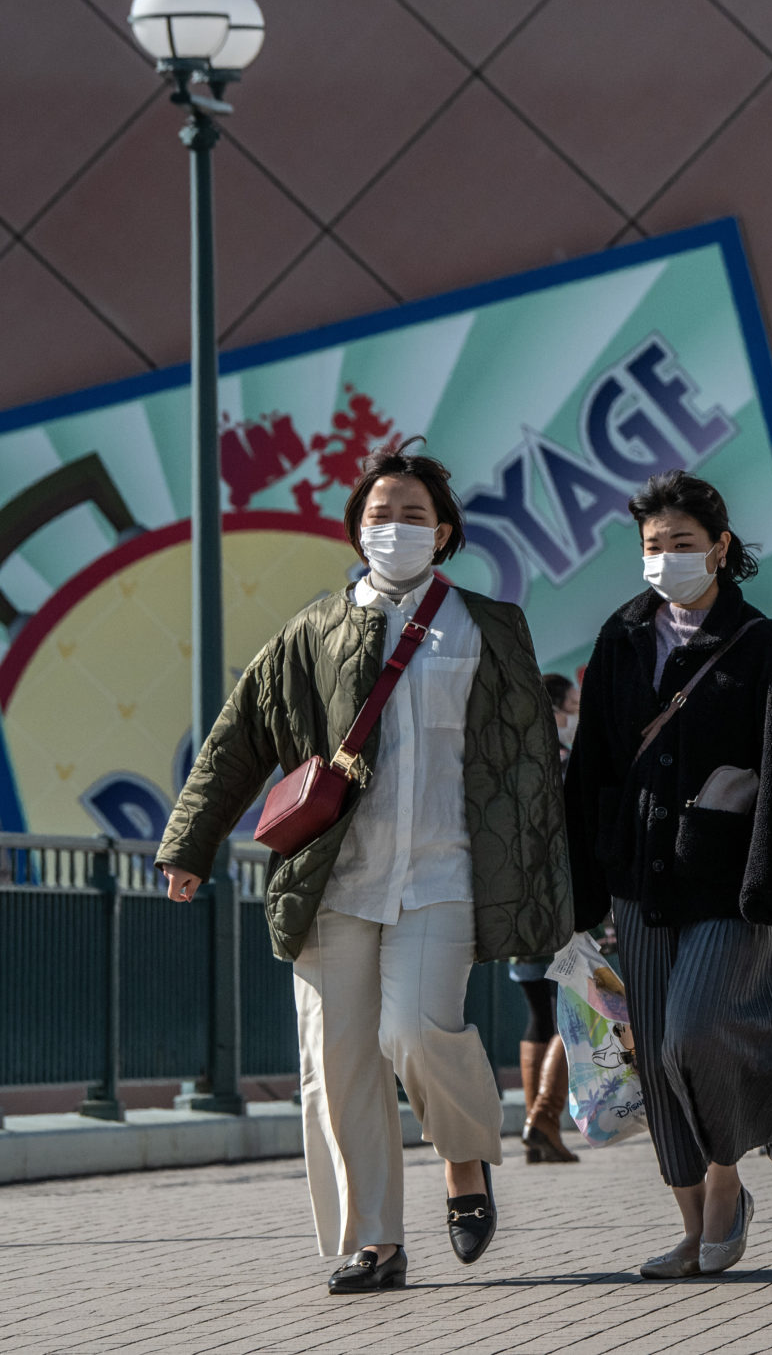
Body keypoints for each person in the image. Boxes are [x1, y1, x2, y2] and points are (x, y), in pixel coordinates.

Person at [155, 447, 570, 1294]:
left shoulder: (490, 626)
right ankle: (374, 1241)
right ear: (356, 530)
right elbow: (240, 738)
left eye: (413, 515)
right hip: (335, 879)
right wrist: (189, 844)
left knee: (417, 1032)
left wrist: (554, 870)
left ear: (444, 532)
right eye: (379, 515)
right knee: (336, 1063)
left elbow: (531, 760)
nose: (393, 529)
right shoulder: (314, 630)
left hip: (445, 873)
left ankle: (463, 1158)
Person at [563, 471, 772, 1279]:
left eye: (682, 543)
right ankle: (693, 1221)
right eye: (652, 545)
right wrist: (581, 888)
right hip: (639, 881)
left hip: (729, 886)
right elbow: (593, 770)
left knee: (693, 1033)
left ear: (719, 548)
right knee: (654, 1053)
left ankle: (725, 1180)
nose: (666, 557)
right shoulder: (621, 639)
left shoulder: (764, 644)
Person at [511, 673, 584, 1165]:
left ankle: (534, 1126)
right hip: (562, 904)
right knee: (570, 1011)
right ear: (556, 710)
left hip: (518, 907)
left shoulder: (510, 763)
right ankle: (544, 1117)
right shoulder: (561, 765)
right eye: (572, 707)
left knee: (539, 1013)